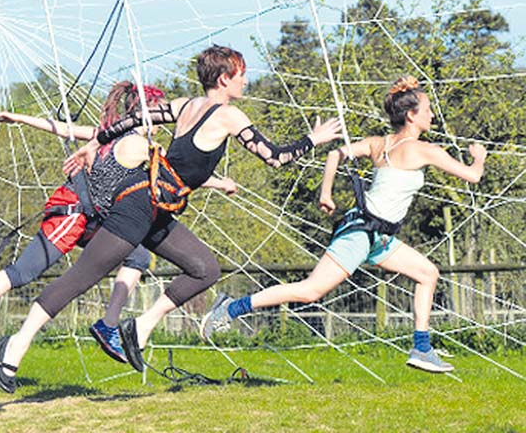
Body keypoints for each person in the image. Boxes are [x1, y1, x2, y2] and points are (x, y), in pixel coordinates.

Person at [0, 44, 342, 392]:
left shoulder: (185, 104)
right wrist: (314, 138)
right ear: (224, 79)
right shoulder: (227, 114)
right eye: (242, 75)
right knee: (83, 277)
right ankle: (15, 345)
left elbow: (129, 122)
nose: (246, 82)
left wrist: (95, 142)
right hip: (138, 204)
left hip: (160, 208)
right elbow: (275, 157)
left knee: (205, 269)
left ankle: (138, 329)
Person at [200, 75, 488, 373]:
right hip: (361, 234)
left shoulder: (380, 143)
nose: (432, 115)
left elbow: (335, 154)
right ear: (412, 115)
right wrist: (478, 157)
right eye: (427, 109)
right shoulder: (426, 150)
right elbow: (473, 176)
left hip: (380, 238)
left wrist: (326, 192)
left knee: (428, 273)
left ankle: (422, 348)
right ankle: (230, 308)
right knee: (310, 291)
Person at [0, 82, 235, 366]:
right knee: (24, 271)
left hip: (95, 219)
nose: (161, 117)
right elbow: (174, 174)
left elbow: (65, 129)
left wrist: (19, 117)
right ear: (144, 110)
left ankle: (108, 325)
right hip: (73, 214)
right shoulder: (138, 144)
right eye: (157, 109)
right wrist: (218, 183)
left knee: (138, 256)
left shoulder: (104, 134)